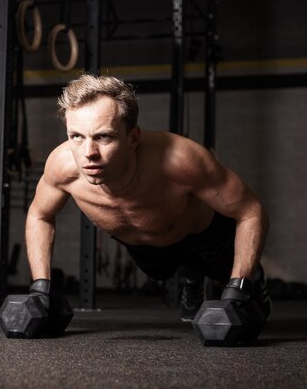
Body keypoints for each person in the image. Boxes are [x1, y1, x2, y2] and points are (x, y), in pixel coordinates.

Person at [25, 74, 271, 331]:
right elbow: (39, 215)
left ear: (133, 138)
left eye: (104, 137)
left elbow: (251, 211)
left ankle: (248, 277)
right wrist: (41, 287)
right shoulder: (62, 167)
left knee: (222, 271)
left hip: (203, 236)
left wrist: (239, 288)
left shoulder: (182, 159)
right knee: (159, 272)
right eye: (76, 136)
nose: (88, 154)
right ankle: (191, 275)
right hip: (146, 246)